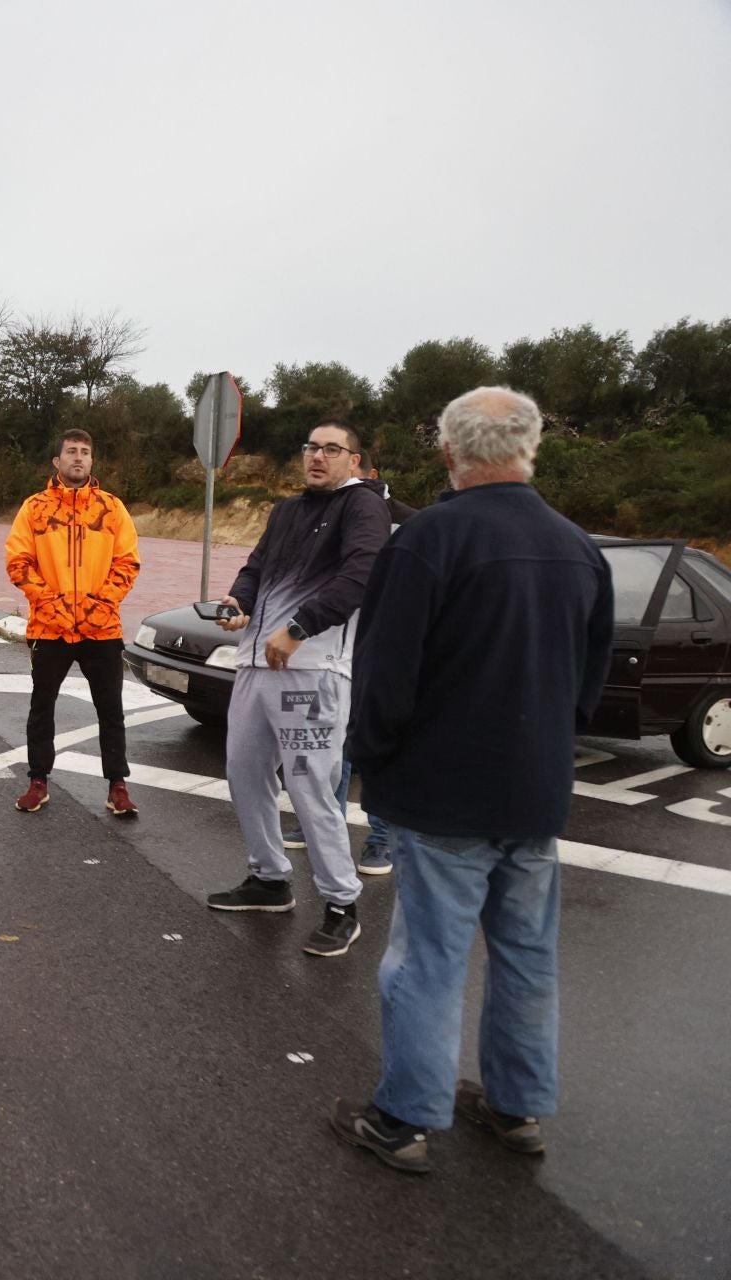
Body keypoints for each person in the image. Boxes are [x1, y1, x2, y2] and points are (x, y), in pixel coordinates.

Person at [329, 387, 611, 1174]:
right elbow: (588, 683)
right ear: (532, 449)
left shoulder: (426, 541)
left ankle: (404, 1118)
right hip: (535, 793)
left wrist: (373, 761)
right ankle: (517, 1108)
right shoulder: (578, 548)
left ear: (449, 452)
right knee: (526, 954)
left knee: (427, 959)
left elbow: (385, 677)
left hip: (441, 795)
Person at [206, 422, 390, 957]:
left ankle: (341, 904)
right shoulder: (287, 509)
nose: (317, 456)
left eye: (332, 449)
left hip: (313, 670)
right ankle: (269, 879)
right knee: (244, 773)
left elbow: (362, 574)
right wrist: (238, 604)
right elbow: (257, 567)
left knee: (310, 784)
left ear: (354, 461)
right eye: (311, 447)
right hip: (257, 665)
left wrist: (300, 626)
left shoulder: (363, 508)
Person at [280, 455, 421, 873]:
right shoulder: (324, 520)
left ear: (371, 476)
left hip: (387, 653)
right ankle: (323, 825)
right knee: (330, 745)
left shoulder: (411, 524)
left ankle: (383, 840)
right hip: (334, 651)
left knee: (379, 749)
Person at [4, 428, 142, 818]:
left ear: (92, 461)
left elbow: (127, 562)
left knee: (111, 709)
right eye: (71, 451)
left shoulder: (112, 508)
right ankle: (38, 781)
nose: (78, 457)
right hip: (50, 627)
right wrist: (49, 602)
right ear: (57, 461)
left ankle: (117, 785)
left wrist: (103, 602)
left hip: (102, 627)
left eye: (85, 452)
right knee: (41, 707)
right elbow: (19, 562)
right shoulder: (34, 508)